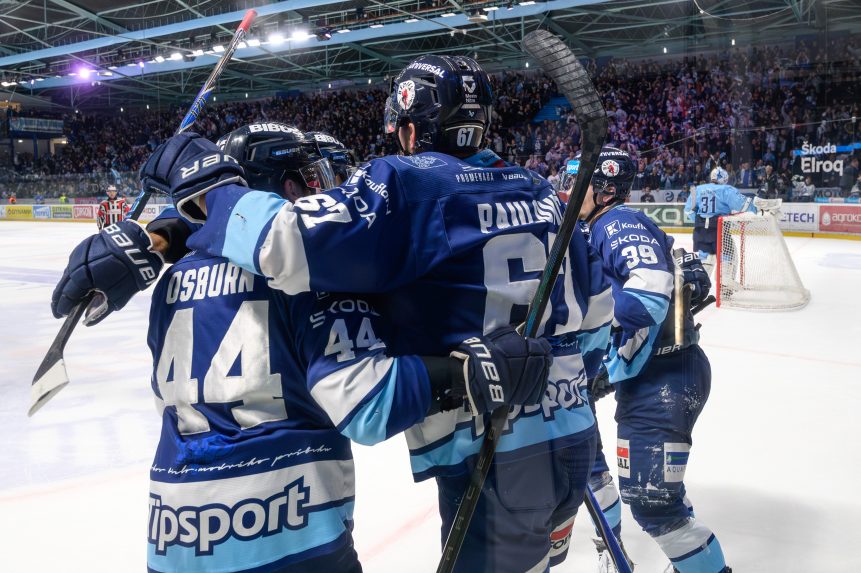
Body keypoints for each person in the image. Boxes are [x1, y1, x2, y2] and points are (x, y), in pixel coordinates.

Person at [53, 55, 613, 573]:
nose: (330, 190)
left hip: (182, 528)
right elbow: (599, 318)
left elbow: (285, 239)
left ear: (410, 130)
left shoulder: (406, 184)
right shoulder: (541, 192)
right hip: (569, 434)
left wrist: (185, 211)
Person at [572, 146, 730, 573]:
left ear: (604, 190)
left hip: (664, 379)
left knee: (652, 500)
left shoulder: (614, 221)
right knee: (636, 485)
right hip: (656, 377)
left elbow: (645, 296)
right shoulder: (600, 225)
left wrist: (606, 354)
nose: (570, 189)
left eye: (579, 180)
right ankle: (643, 556)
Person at [683, 167, 762, 275]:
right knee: (728, 259)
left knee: (705, 261)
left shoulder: (696, 190)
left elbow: (688, 210)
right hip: (720, 231)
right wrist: (758, 209)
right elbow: (743, 205)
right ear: (724, 179)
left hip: (700, 232)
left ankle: (700, 283)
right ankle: (725, 282)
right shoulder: (726, 189)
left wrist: (700, 221)